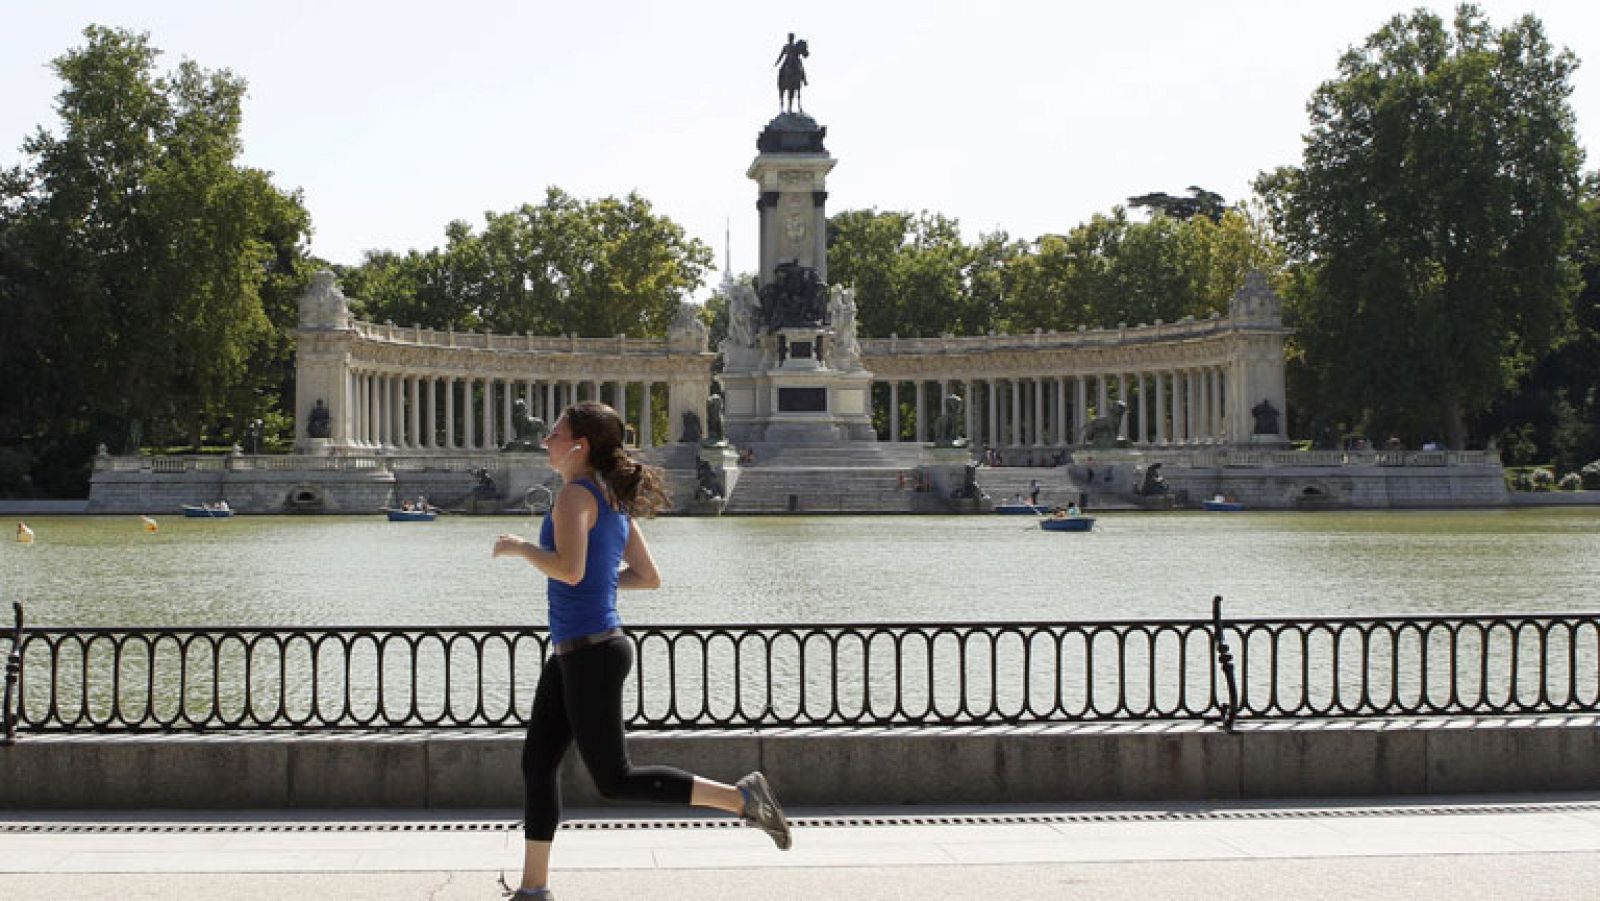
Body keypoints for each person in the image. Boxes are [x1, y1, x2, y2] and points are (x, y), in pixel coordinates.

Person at [492, 401, 791, 900]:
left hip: (589, 652)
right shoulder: (612, 501)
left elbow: (569, 570)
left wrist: (521, 548)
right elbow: (647, 578)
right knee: (537, 763)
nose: (546, 441)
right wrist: (594, 587)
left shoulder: (572, 498)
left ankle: (742, 798)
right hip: (580, 649)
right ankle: (532, 887)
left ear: (579, 446)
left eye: (555, 434)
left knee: (614, 779)